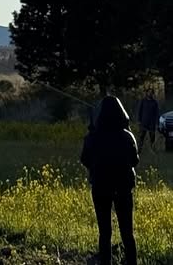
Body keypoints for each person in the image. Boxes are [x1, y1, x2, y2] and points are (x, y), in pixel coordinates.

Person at [80, 95, 139, 265]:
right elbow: (135, 160)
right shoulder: (128, 137)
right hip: (123, 188)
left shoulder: (92, 137)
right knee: (127, 233)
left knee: (104, 233)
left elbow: (84, 159)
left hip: (100, 188)